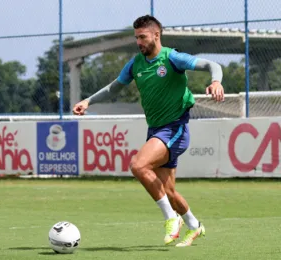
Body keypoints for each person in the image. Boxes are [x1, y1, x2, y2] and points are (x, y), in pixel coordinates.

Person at [73, 15, 224, 247]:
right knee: (168, 191)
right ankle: (195, 226)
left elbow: (212, 65)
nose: (139, 42)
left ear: (156, 35)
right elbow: (114, 88)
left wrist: (216, 81)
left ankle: (171, 218)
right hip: (156, 130)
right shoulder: (135, 64)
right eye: (136, 38)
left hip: (175, 128)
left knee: (138, 165)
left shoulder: (172, 58)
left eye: (142, 37)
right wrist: (88, 101)